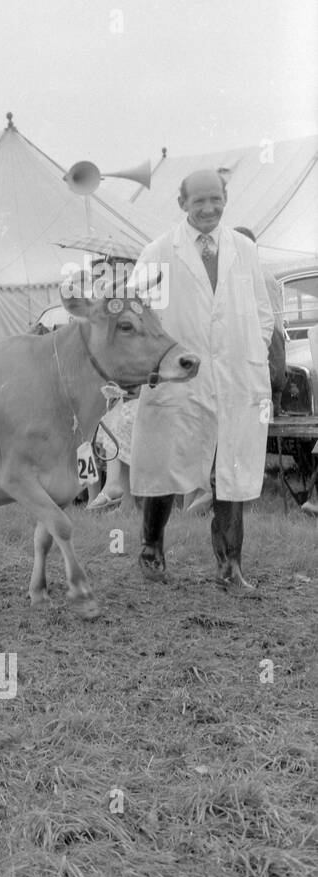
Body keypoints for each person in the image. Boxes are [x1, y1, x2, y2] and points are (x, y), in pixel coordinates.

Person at [130, 170, 273, 588]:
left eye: (216, 199)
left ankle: (231, 567)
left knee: (232, 469)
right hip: (178, 378)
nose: (208, 209)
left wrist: (253, 353)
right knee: (164, 466)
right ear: (182, 204)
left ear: (226, 198)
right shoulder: (158, 252)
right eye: (199, 202)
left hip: (235, 377)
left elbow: (262, 313)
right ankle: (151, 545)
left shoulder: (243, 249)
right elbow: (136, 316)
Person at [233, 227, 288, 412]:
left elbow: (256, 323)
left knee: (261, 423)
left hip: (266, 364)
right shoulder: (264, 274)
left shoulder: (252, 276)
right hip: (273, 360)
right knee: (266, 419)